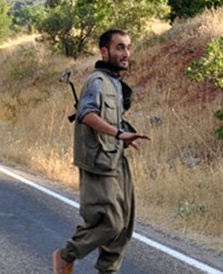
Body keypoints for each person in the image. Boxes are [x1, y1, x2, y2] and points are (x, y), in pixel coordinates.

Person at [53, 29, 151, 274]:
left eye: (128, 47)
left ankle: (108, 271)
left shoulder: (114, 82)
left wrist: (124, 135)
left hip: (116, 158)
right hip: (98, 161)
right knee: (109, 221)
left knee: (124, 224)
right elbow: (86, 115)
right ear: (104, 51)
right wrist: (118, 134)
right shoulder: (97, 82)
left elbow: (110, 117)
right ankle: (66, 256)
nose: (126, 53)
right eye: (119, 47)